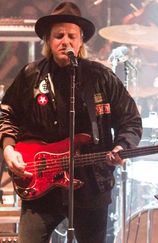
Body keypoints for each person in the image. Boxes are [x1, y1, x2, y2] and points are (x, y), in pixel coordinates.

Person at [0, 2, 142, 243]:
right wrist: (9, 149)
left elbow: (130, 120)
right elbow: (7, 112)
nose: (65, 41)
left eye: (71, 35)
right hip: (40, 187)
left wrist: (121, 146)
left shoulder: (102, 77)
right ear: (48, 40)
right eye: (58, 35)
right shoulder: (31, 75)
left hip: (91, 184)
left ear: (81, 41)